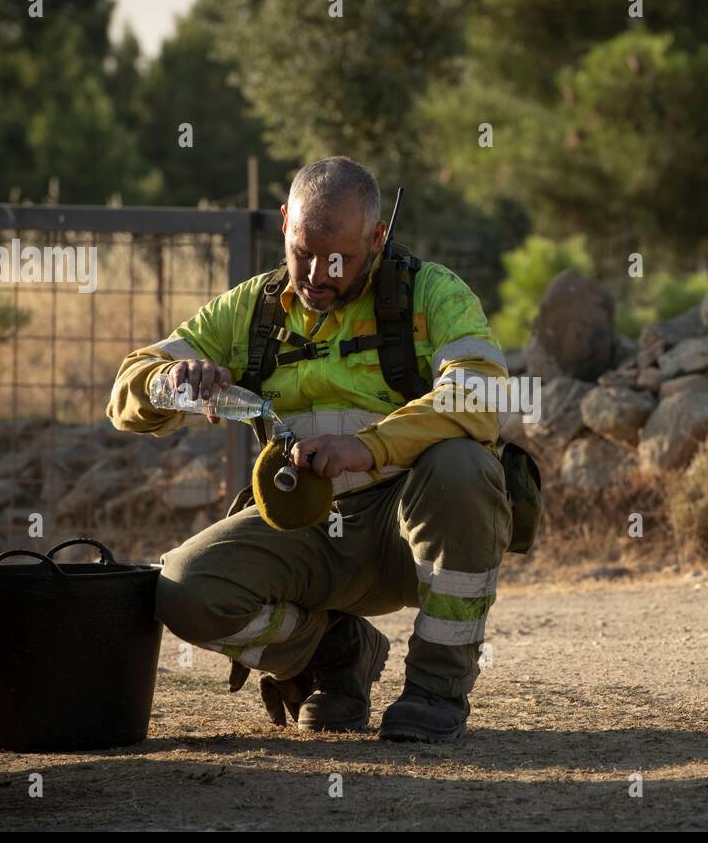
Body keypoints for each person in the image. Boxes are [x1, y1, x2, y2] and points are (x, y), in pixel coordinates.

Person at [105, 156, 510, 742]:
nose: (317, 274)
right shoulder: (251, 309)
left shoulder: (432, 293)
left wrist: (367, 447)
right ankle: (333, 655)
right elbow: (124, 393)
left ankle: (435, 689)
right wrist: (173, 383)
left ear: (377, 238)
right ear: (284, 224)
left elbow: (481, 398)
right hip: (307, 528)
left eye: (338, 258)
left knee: (465, 464)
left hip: (408, 529)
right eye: (302, 252)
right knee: (185, 590)